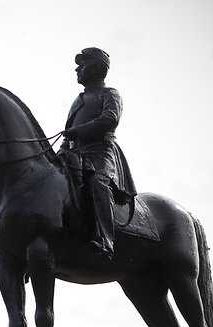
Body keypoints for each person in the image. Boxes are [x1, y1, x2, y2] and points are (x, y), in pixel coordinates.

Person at [60, 47, 137, 257]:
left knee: (97, 183)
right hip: (75, 153)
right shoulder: (78, 99)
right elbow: (69, 133)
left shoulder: (110, 94)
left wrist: (78, 131)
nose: (77, 69)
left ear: (95, 68)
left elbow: (110, 119)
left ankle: (106, 240)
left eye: (82, 65)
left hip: (100, 151)